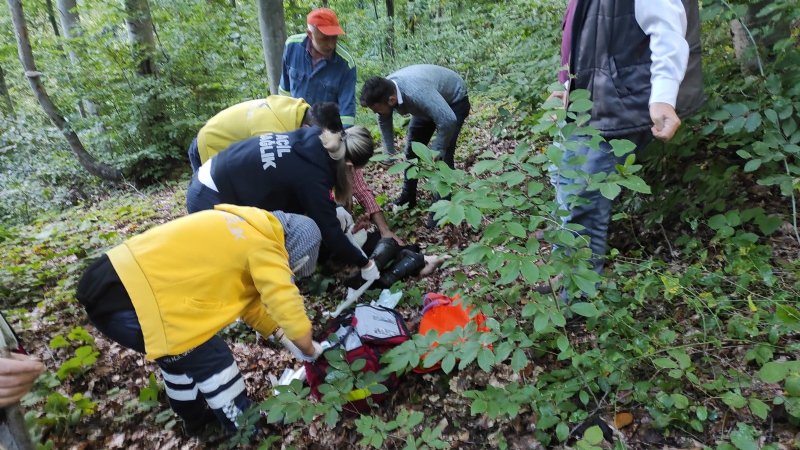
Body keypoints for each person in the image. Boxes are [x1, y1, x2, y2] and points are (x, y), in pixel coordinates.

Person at [75, 205, 343, 435]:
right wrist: (308, 347)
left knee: (178, 360)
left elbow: (249, 302)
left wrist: (279, 333)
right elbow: (283, 297)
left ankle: (195, 422)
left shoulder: (243, 226)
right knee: (213, 359)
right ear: (292, 250)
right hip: (132, 299)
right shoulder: (265, 247)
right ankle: (246, 430)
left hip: (112, 279)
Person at [546, 0, 704, 293]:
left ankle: (577, 295)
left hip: (617, 101)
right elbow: (586, 36)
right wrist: (569, 87)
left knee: (585, 200)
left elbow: (667, 29)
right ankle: (564, 271)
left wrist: (663, 96)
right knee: (562, 177)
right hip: (587, 101)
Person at [185, 107, 381, 277]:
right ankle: (275, 290)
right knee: (301, 234)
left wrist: (331, 211)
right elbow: (329, 232)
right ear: (348, 165)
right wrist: (365, 263)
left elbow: (295, 189)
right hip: (210, 199)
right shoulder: (313, 175)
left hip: (210, 178)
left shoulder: (315, 138)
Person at [360, 65, 471, 212]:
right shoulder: (384, 92)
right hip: (426, 106)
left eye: (377, 110)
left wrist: (437, 148)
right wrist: (389, 154)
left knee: (442, 157)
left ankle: (442, 208)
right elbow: (383, 119)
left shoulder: (415, 92)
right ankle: (408, 197)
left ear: (392, 100)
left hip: (453, 101)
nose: (377, 113)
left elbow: (448, 120)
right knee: (412, 151)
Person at [187, 95, 311, 173]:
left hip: (226, 142)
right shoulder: (271, 133)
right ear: (306, 127)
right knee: (218, 204)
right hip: (211, 144)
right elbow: (272, 177)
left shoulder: (294, 111)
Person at [280, 8, 356, 129]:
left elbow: (347, 111)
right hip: (295, 126)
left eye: (334, 37)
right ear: (310, 34)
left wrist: (343, 140)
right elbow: (284, 91)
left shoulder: (346, 64)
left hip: (327, 131)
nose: (331, 44)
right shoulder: (291, 47)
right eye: (325, 38)